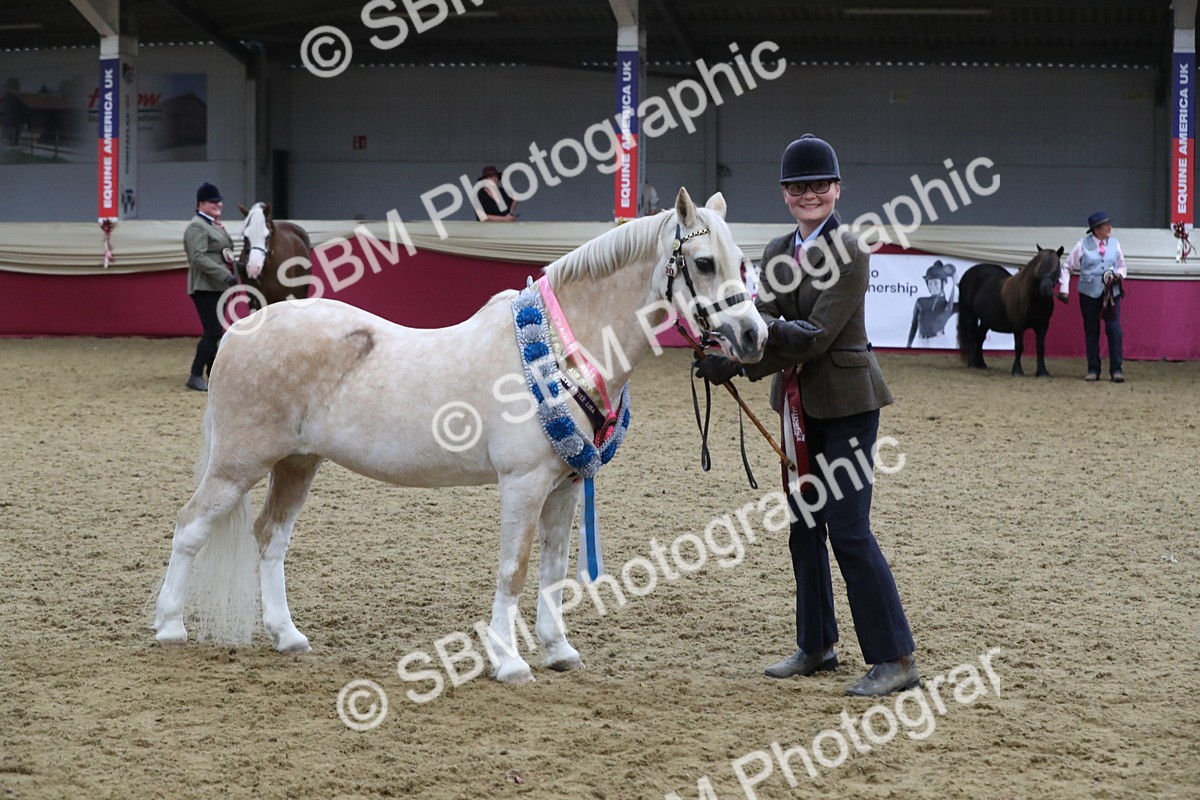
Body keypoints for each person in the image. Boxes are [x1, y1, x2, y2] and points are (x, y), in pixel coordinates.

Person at [695, 134, 919, 697]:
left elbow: (815, 335)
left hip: (847, 405)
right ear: (784, 194)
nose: (809, 194)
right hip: (796, 407)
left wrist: (746, 358)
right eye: (798, 187)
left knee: (849, 531)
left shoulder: (851, 249)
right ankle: (816, 644)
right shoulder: (776, 250)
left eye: (819, 185)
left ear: (837, 189)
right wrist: (728, 352)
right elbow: (765, 318)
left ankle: (896, 658)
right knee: (803, 527)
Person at [1058, 211, 1126, 382]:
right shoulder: (1082, 244)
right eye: (1105, 225)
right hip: (1089, 293)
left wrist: (1119, 276)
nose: (1109, 227)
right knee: (1091, 330)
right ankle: (1093, 369)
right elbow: (1067, 267)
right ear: (1096, 229)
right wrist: (1064, 289)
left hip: (1111, 293)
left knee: (1114, 330)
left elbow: (1122, 266)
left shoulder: (1115, 244)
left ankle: (1116, 369)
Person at [183, 182, 237, 392]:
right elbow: (198, 257)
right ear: (200, 204)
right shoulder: (197, 227)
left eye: (219, 201)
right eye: (212, 202)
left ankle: (212, 374)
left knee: (215, 332)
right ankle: (195, 374)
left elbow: (224, 251)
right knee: (212, 332)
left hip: (216, 286)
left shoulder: (213, 224)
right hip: (204, 285)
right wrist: (225, 275)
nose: (218, 204)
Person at [906, 260, 958, 347]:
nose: (932, 286)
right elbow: (914, 325)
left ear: (943, 283)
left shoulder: (949, 305)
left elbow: (968, 303)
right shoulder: (920, 302)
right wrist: (908, 346)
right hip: (921, 342)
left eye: (936, 283)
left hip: (939, 342)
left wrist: (957, 283)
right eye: (930, 283)